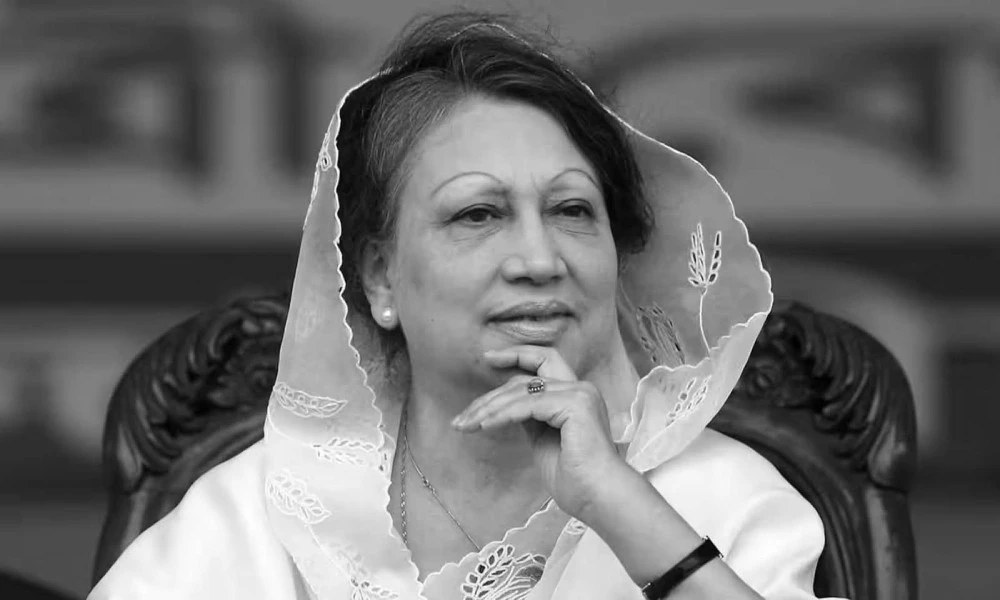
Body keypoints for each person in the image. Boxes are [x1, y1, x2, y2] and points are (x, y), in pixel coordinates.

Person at [89, 11, 845, 600]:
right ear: (380, 279)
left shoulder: (720, 496)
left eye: (573, 211)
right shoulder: (263, 512)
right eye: (478, 214)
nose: (539, 260)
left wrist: (620, 505)